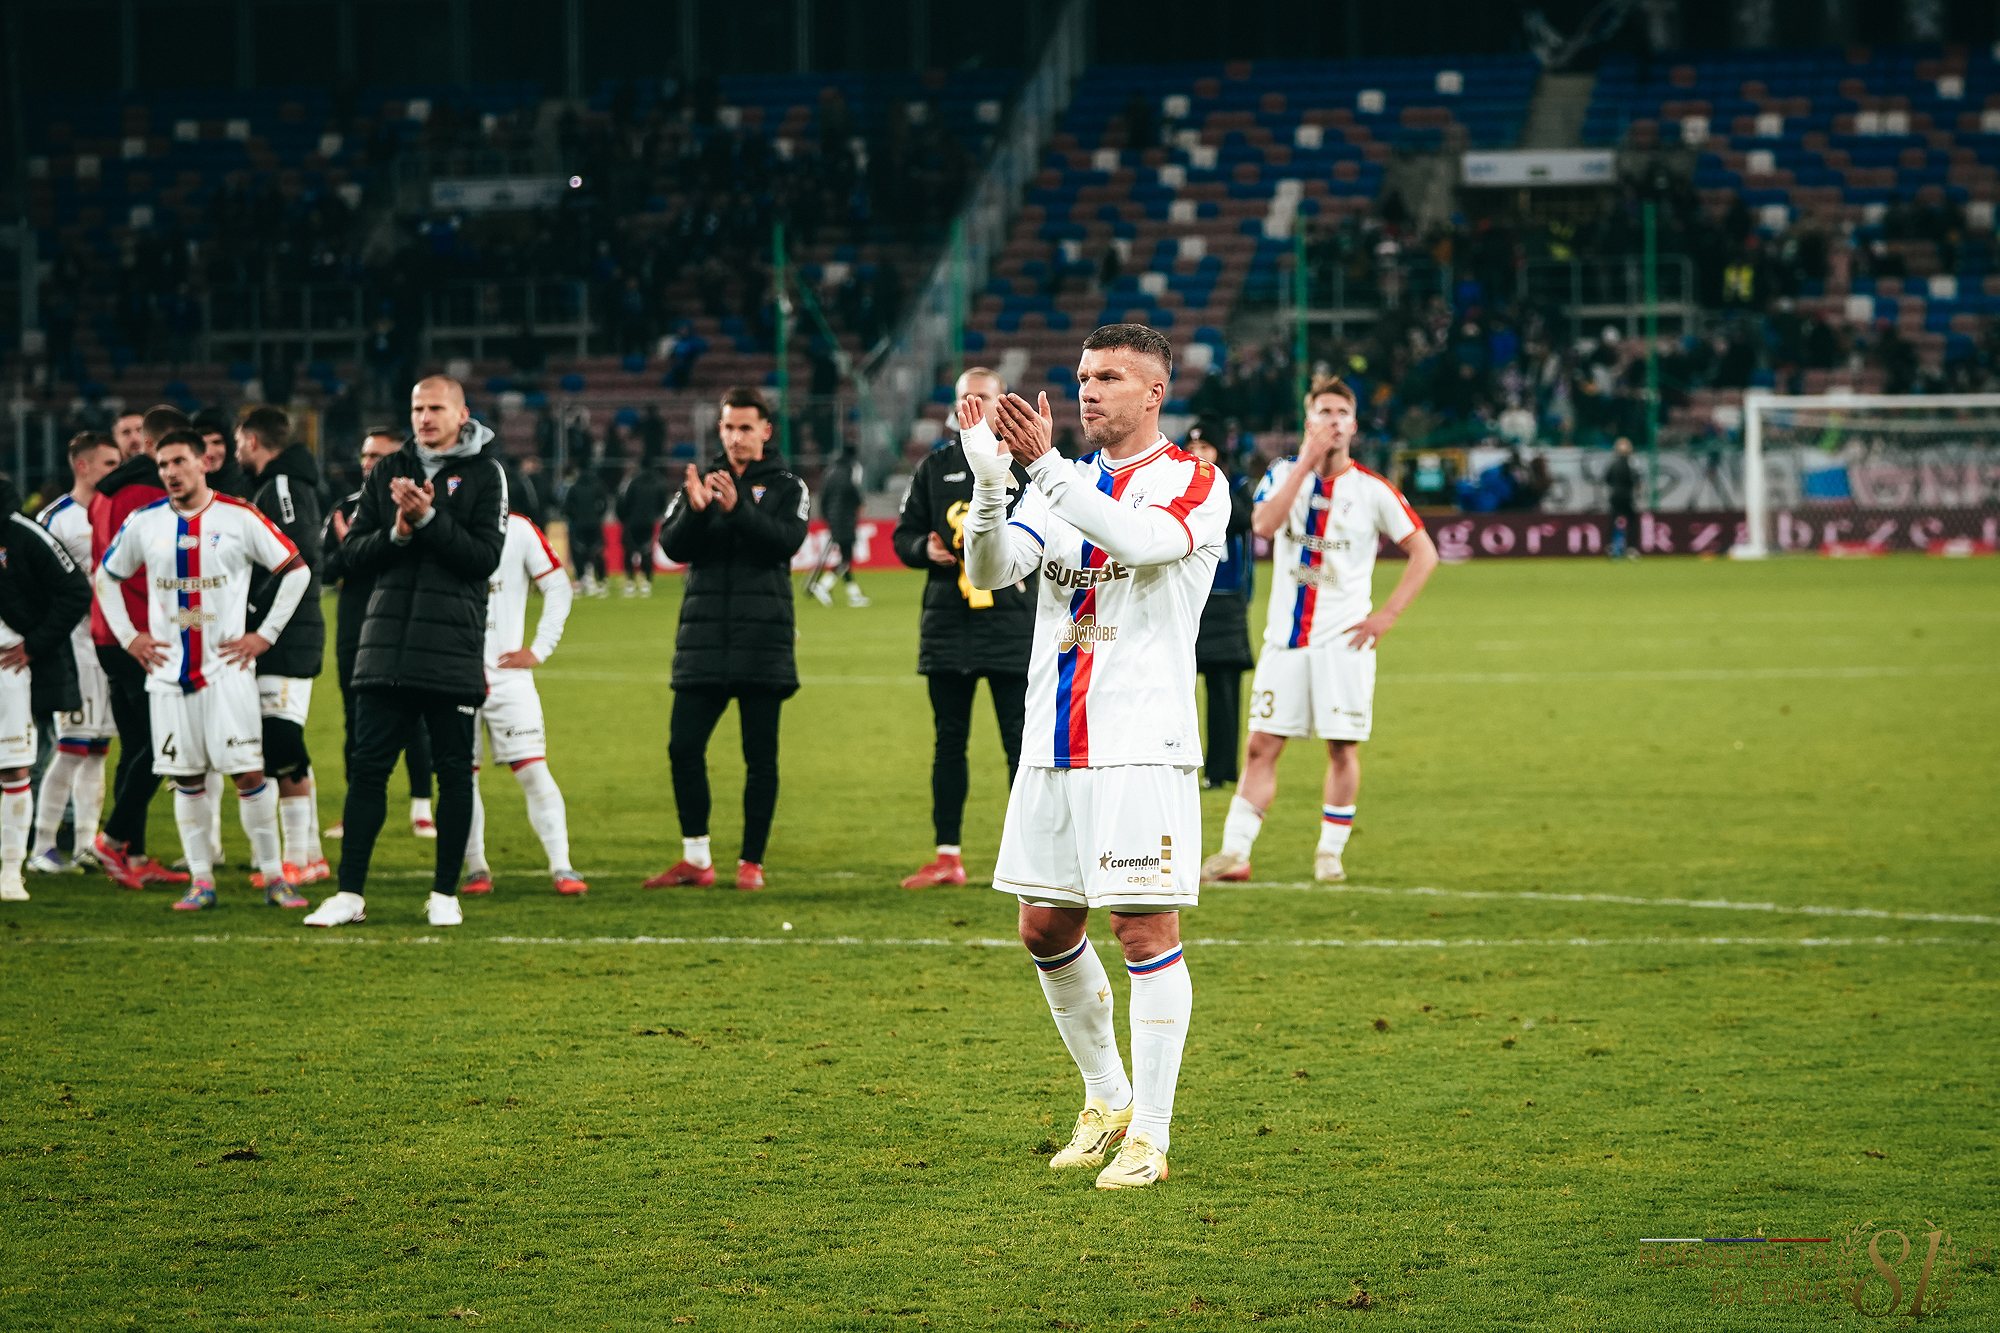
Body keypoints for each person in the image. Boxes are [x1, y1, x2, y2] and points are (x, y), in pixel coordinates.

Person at [961, 324, 1232, 1191]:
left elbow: (1139, 542)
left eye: (1109, 376)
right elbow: (991, 569)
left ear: (1155, 392)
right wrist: (991, 482)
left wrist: (1042, 467)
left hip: (1139, 743)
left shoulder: (1194, 481)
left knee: (1143, 928)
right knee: (1044, 926)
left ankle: (1150, 1135)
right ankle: (1108, 1096)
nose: (1088, 389)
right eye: (1082, 375)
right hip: (1052, 738)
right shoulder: (1058, 482)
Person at [1201, 375, 1440, 887]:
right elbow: (1263, 526)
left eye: (1341, 413)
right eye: (1323, 412)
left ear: (1354, 425)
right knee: (1261, 746)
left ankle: (1330, 854)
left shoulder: (1372, 490)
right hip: (1285, 641)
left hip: (1343, 643)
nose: (1333, 421)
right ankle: (1235, 853)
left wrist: (1387, 616)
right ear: (1308, 421)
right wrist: (1306, 462)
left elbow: (1425, 552)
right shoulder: (1282, 474)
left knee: (1341, 747)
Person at [302, 377, 507, 930]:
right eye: (417, 407)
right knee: (368, 772)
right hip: (384, 648)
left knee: (454, 774)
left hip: (450, 648)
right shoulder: (388, 471)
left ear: (462, 413)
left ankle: (444, 894)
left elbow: (484, 558)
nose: (424, 417)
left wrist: (430, 521)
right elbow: (351, 557)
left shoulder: (487, 474)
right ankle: (348, 894)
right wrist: (396, 532)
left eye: (435, 407)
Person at [93, 429, 313, 910]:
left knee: (249, 775)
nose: (170, 472)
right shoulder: (145, 522)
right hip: (168, 677)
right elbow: (104, 576)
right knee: (187, 779)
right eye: (163, 464)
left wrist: (265, 635)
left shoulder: (240, 516)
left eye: (179, 462)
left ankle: (275, 877)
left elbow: (297, 570)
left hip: (226, 672)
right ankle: (201, 881)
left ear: (204, 463)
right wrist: (130, 637)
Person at [644, 386, 809, 892]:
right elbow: (671, 548)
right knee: (683, 747)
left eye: (745, 427)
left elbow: (785, 543)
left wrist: (737, 509)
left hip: (762, 639)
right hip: (703, 640)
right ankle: (696, 858)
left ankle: (751, 863)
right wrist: (696, 512)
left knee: (759, 758)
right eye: (728, 427)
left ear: (765, 430)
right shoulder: (700, 483)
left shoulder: (788, 486)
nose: (735, 437)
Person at [891, 367, 1034, 889]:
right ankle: (947, 855)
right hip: (948, 626)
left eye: (983, 397)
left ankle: (1030, 856)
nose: (972, 404)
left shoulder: (1026, 464)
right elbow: (904, 534)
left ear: (1002, 402)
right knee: (949, 742)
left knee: (1022, 746)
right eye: (964, 397)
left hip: (1012, 626)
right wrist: (921, 549)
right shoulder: (935, 467)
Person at [88, 405, 192, 890]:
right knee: (160, 745)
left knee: (136, 747)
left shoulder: (105, 493)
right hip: (142, 635)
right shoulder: (152, 494)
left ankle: (134, 854)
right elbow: (160, 568)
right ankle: (112, 839)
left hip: (108, 631)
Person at [458, 509, 583, 897]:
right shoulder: (436, 523)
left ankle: (562, 866)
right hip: (451, 676)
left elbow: (558, 585)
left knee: (533, 770)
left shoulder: (517, 528)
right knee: (460, 777)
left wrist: (540, 648)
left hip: (508, 677)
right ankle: (476, 869)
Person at [321, 428, 437, 841]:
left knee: (415, 719)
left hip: (405, 621)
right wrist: (345, 548)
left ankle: (422, 808)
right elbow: (324, 571)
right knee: (356, 720)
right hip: (356, 626)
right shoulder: (346, 508)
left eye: (379, 456)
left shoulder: (424, 503)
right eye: (366, 455)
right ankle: (355, 811)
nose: (369, 463)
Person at [235, 407, 330, 886]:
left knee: (282, 740)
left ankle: (297, 860)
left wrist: (256, 613)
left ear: (253, 441)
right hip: (285, 630)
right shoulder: (274, 485)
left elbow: (299, 556)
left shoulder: (284, 486)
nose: (236, 451)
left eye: (238, 441)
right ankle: (310, 854)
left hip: (288, 634)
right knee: (279, 740)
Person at [27, 433, 120, 874]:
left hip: (110, 648)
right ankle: (43, 846)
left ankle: (86, 844)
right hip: (74, 650)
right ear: (82, 466)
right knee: (71, 748)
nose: (116, 471)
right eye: (108, 463)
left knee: (97, 749)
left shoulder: (117, 513)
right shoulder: (54, 519)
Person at [0, 474, 93, 901]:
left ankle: (9, 873)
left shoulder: (23, 533)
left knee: (15, 768)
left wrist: (35, 644)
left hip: (9, 670)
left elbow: (75, 591)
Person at [1186, 428, 1254, 789]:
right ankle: (1178, 768)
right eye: (1192, 446)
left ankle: (1221, 771)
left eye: (1205, 446)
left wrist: (1215, 480)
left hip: (1225, 600)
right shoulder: (1173, 481)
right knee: (1173, 687)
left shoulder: (1236, 484)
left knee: (1224, 690)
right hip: (1184, 596)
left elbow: (1243, 519)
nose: (1198, 452)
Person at [810, 445, 871, 608]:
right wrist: (859, 505)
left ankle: (854, 594)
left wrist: (827, 517)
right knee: (846, 558)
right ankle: (823, 585)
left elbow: (823, 497)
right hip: (845, 518)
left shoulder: (829, 473)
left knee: (845, 557)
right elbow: (853, 492)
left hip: (833, 518)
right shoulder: (848, 472)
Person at [615, 461, 669, 597]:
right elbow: (663, 502)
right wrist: (655, 515)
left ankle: (630, 583)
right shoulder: (658, 483)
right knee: (647, 551)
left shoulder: (633, 482)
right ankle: (646, 582)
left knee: (629, 550)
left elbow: (625, 501)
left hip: (633, 522)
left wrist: (624, 518)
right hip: (649, 522)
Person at [562, 465, 610, 597]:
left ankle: (581, 579)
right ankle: (601, 581)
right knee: (597, 552)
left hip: (579, 526)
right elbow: (605, 504)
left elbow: (567, 507)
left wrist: (575, 518)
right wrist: (598, 516)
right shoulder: (598, 487)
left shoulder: (574, 488)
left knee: (579, 553)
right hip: (595, 525)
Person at [1606, 436, 1640, 560]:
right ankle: (1631, 548)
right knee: (1632, 522)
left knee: (1613, 521)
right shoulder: (1632, 462)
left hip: (1615, 496)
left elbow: (1607, 478)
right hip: (1627, 496)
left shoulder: (1613, 463)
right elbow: (1634, 479)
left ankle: (1612, 547)